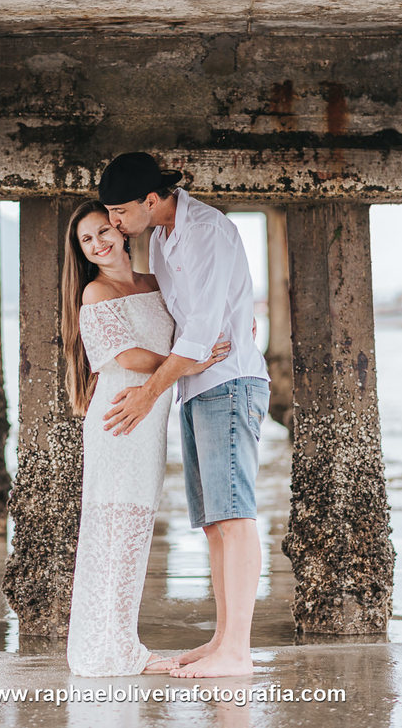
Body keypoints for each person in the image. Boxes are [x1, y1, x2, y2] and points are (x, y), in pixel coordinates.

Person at [98, 152, 271, 679]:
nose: (114, 224)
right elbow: (189, 325)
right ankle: (223, 638)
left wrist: (148, 393)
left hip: (229, 380)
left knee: (235, 514)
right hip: (197, 387)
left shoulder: (206, 231)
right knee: (214, 520)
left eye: (120, 212)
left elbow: (202, 331)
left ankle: (237, 651)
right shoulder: (163, 237)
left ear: (152, 199)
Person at [61, 199, 232, 676]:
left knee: (132, 531)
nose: (98, 244)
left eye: (102, 232)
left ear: (122, 229)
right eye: (86, 240)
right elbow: (129, 356)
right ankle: (104, 652)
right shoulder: (95, 292)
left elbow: (196, 313)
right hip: (121, 416)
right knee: (112, 529)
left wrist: (237, 323)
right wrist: (187, 365)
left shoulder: (155, 283)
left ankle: (120, 644)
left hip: (149, 417)